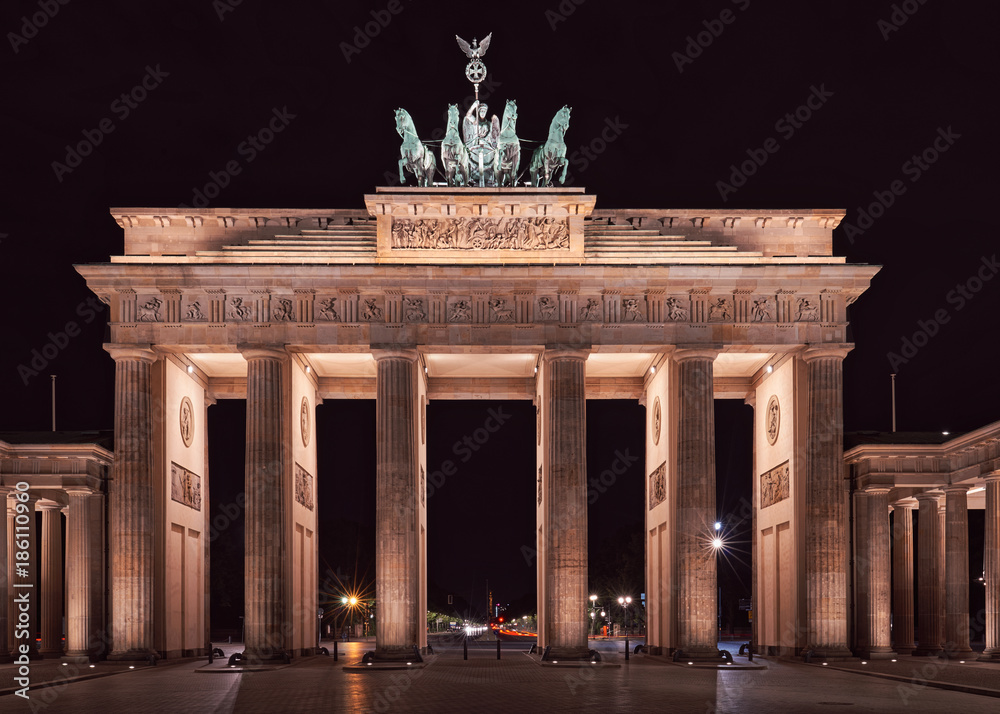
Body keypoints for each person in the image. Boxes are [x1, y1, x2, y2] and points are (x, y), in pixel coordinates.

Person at [463, 101, 499, 185]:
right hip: (475, 144)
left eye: (484, 111)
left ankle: (497, 173)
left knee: (497, 153)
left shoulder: (489, 124)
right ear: (478, 111)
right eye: (481, 111)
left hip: (487, 145)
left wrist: (486, 139)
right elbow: (468, 116)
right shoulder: (475, 122)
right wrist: (473, 106)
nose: (483, 113)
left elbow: (492, 134)